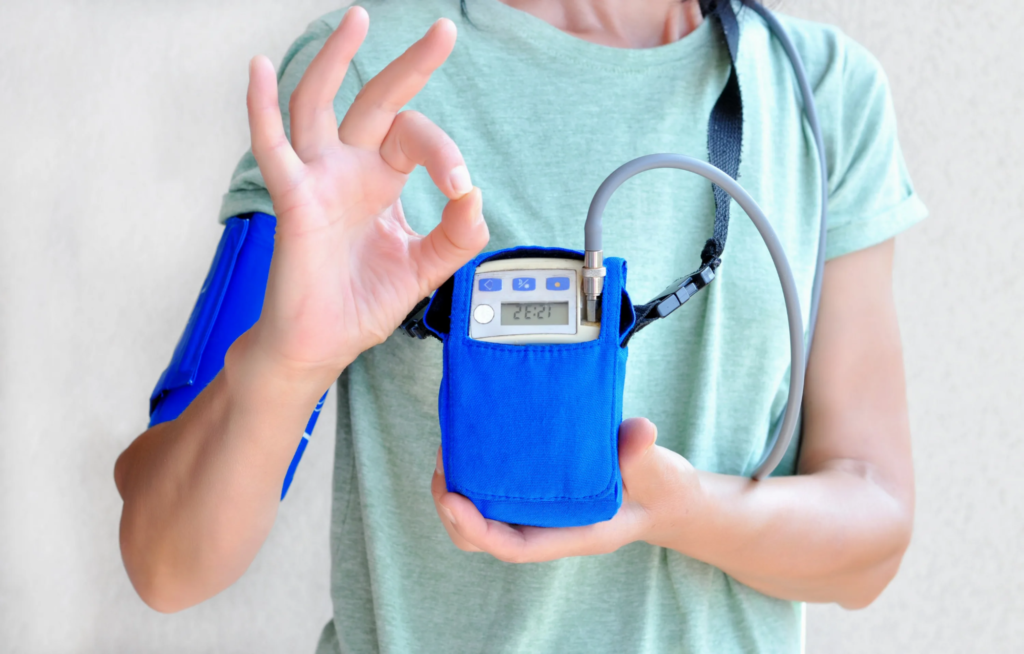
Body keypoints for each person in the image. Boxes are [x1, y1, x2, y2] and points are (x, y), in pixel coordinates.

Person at [114, 0, 926, 651]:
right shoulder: (366, 81)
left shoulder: (822, 91)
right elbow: (165, 561)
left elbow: (873, 534)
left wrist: (680, 512)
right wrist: (286, 365)